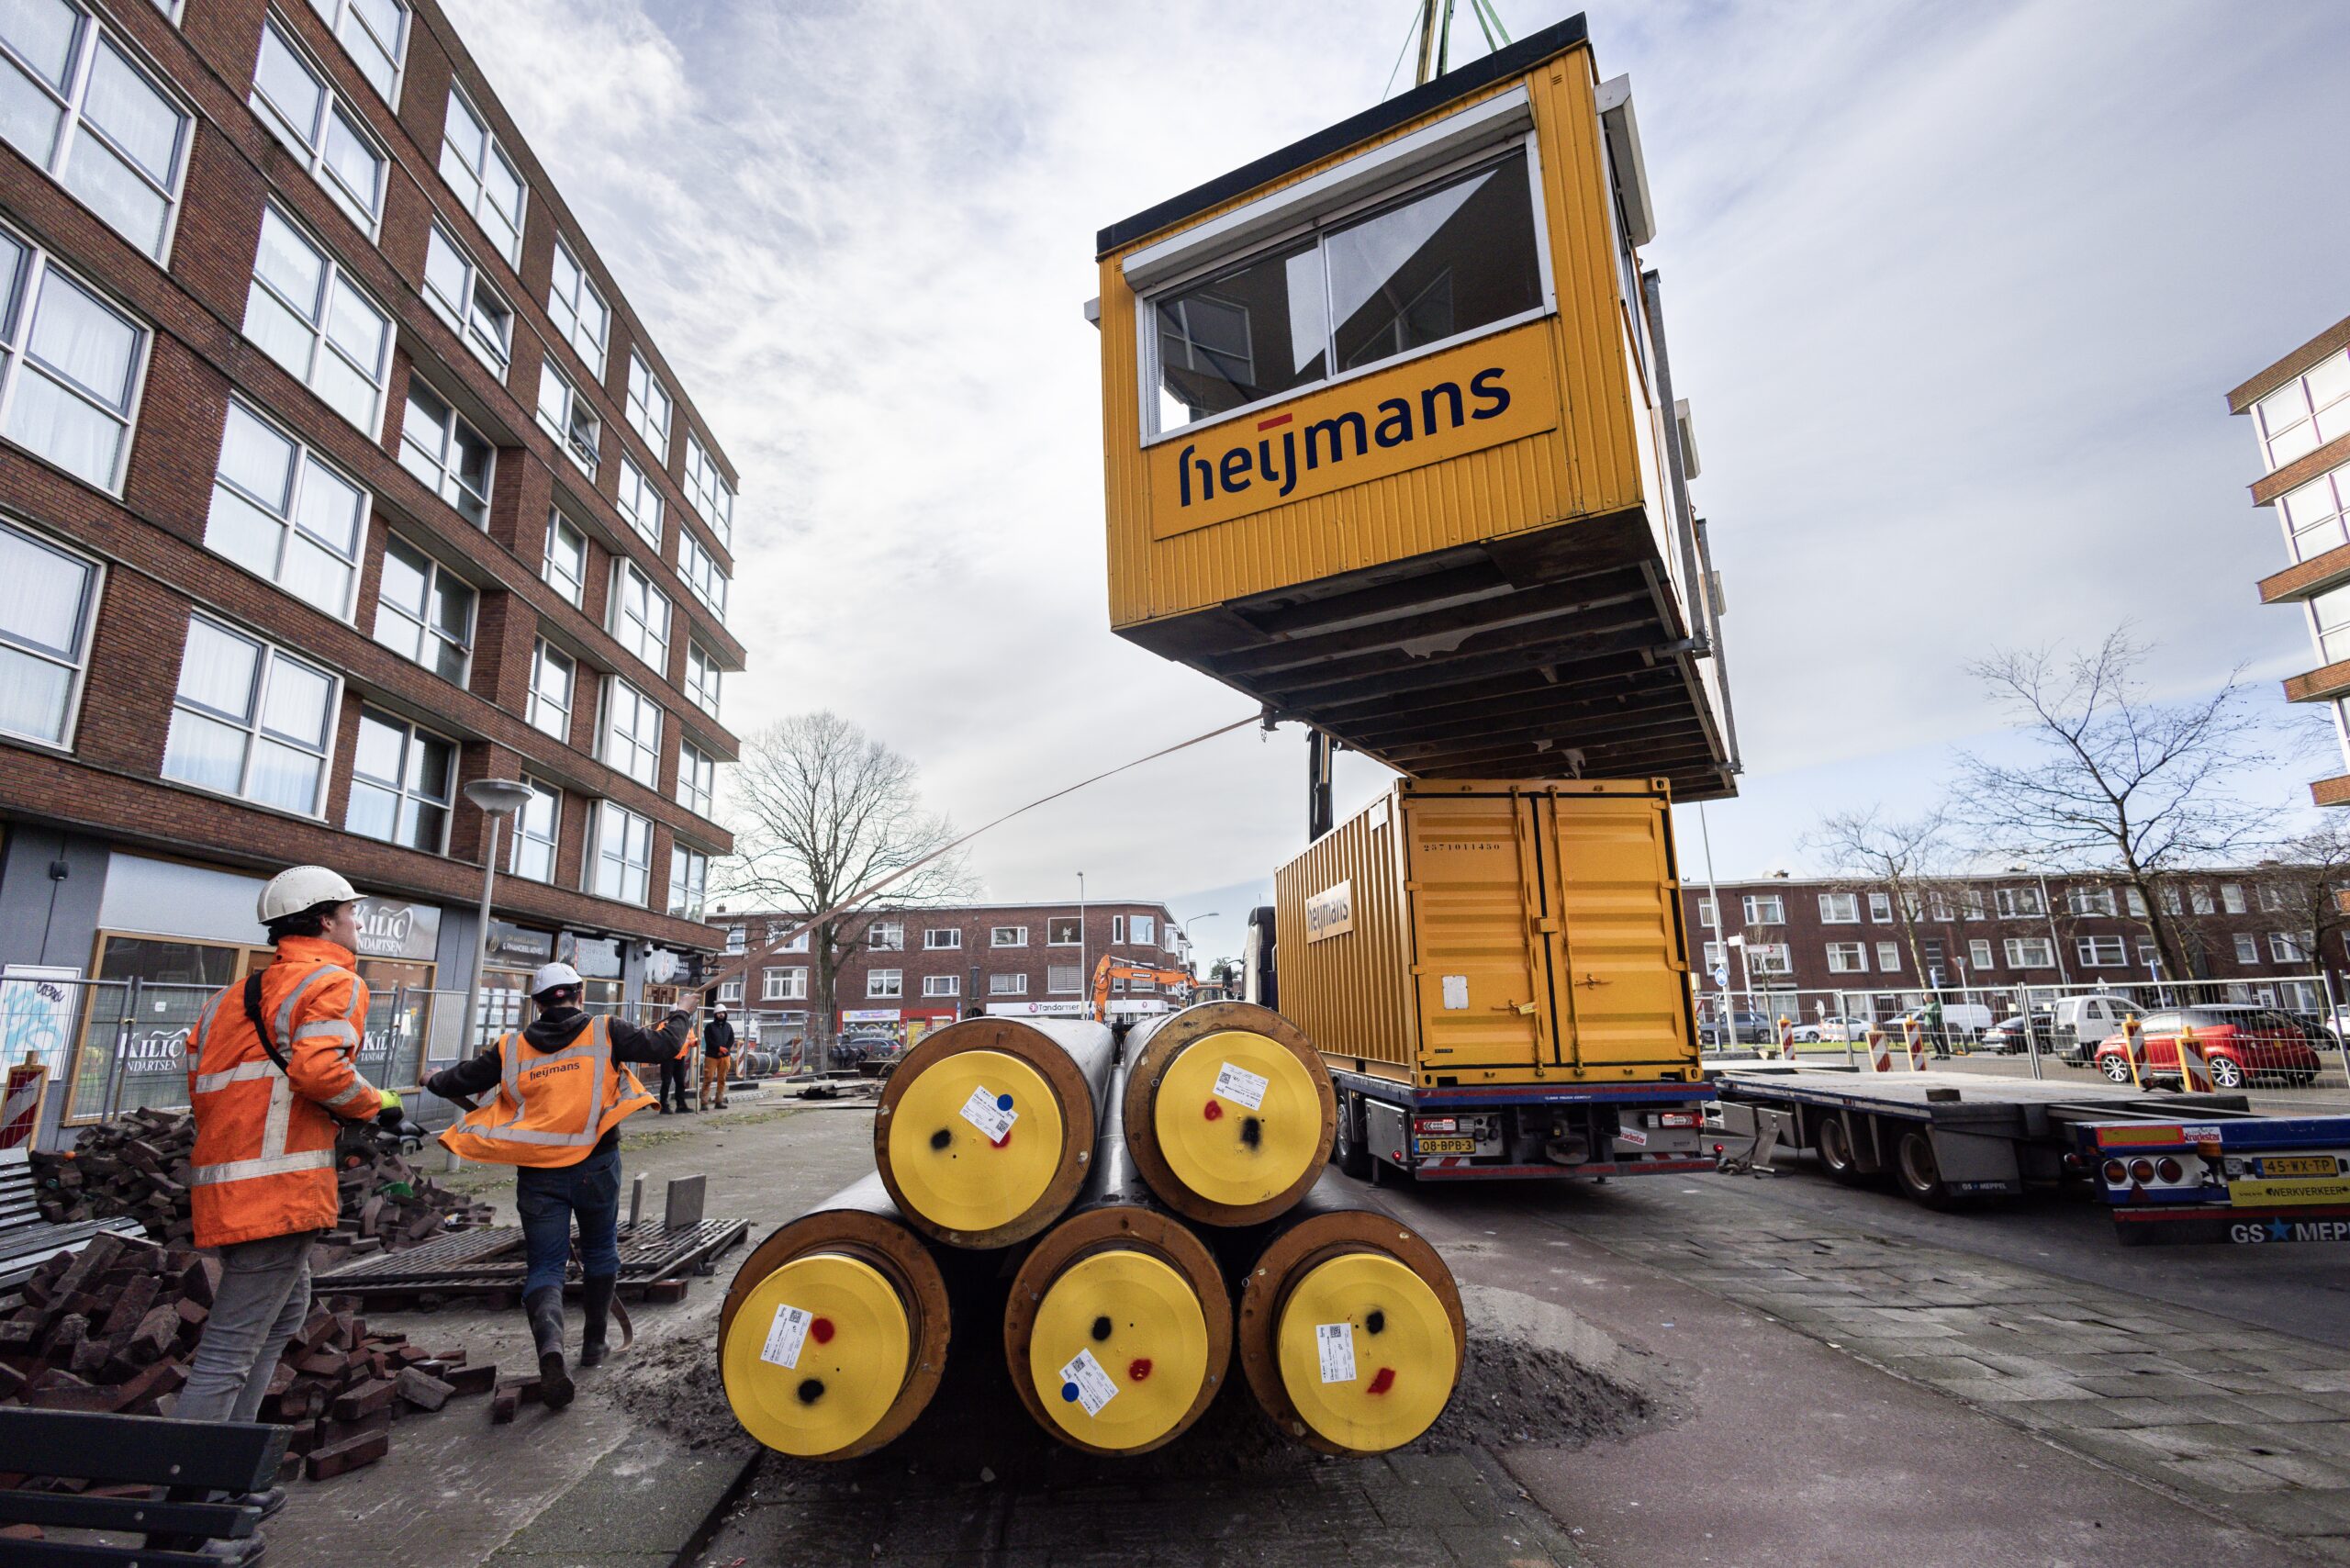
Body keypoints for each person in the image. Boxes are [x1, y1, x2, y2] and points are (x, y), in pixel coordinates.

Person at [179, 866, 401, 1531]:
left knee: (286, 1310)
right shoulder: (332, 981)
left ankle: (232, 1468)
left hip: (231, 1180)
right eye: (351, 915)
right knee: (231, 1346)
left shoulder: (233, 997)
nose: (357, 926)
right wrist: (375, 1104)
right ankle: (193, 1493)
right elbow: (318, 1070)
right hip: (278, 1185)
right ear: (326, 919)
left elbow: (201, 1081)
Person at [428, 966, 688, 1407]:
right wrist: (682, 1011)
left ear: (538, 1003)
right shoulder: (606, 1030)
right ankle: (592, 1344)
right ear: (580, 995)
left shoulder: (511, 1047)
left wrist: (432, 1080)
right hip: (597, 1165)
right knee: (601, 1250)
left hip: (538, 1174)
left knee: (545, 1265)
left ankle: (550, 1348)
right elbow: (664, 1045)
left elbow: (463, 1079)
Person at [655, 1011, 691, 1115]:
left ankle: (681, 1105)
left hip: (680, 1057)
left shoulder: (686, 1025)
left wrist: (693, 1042)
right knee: (666, 1081)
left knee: (680, 1081)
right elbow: (658, 1037)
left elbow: (690, 1037)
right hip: (668, 1057)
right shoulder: (664, 1025)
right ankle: (663, 1105)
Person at [700, 1003, 735, 1109]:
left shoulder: (728, 1026)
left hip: (725, 1057)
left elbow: (731, 1039)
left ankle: (719, 1101)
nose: (721, 1015)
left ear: (725, 1014)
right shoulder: (709, 1027)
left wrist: (725, 1050)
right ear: (715, 1014)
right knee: (708, 1078)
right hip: (711, 1057)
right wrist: (718, 1048)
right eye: (719, 1013)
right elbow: (709, 1041)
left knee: (722, 1079)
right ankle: (704, 1103)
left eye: (722, 1013)